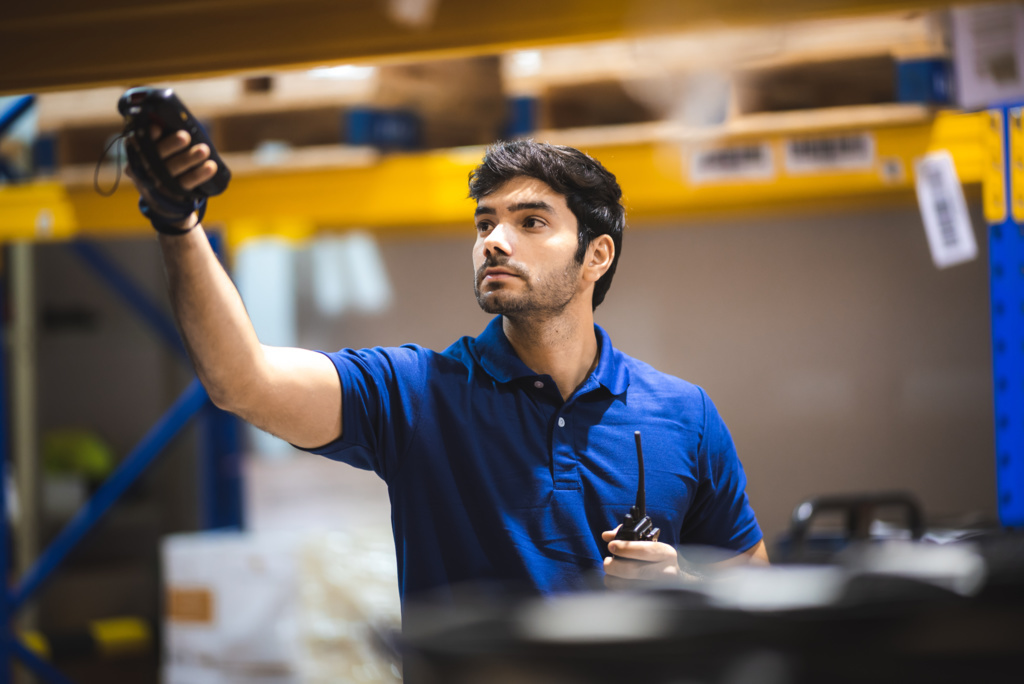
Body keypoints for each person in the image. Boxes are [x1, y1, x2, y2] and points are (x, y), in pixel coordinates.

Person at [127, 126, 768, 606]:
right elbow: (241, 382)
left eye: (531, 221)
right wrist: (179, 224)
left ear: (596, 256)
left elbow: (750, 581)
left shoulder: (683, 413)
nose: (494, 239)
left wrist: (681, 587)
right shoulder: (415, 393)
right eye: (485, 222)